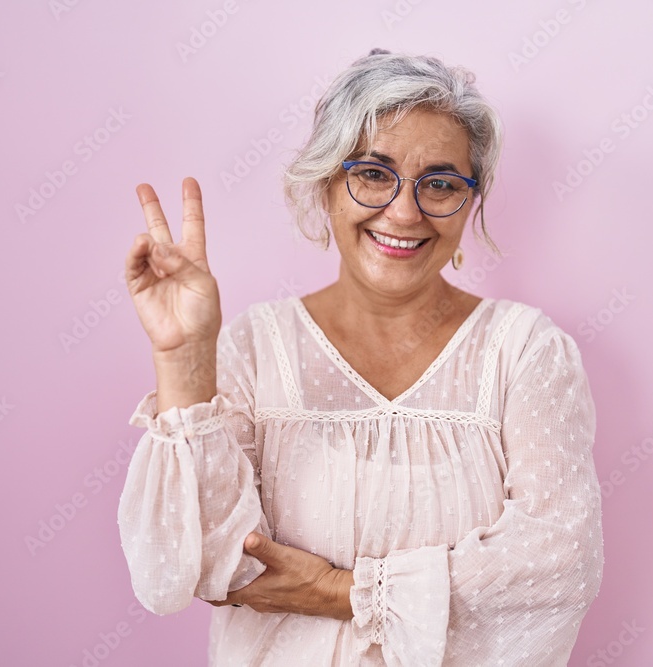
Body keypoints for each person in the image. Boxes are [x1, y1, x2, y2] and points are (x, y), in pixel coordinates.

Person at [117, 48, 603, 666]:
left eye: (441, 183)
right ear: (326, 184)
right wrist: (185, 358)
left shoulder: (526, 352)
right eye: (373, 173)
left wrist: (342, 592)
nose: (404, 212)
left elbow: (560, 565)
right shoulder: (255, 348)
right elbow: (194, 568)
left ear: (469, 202)